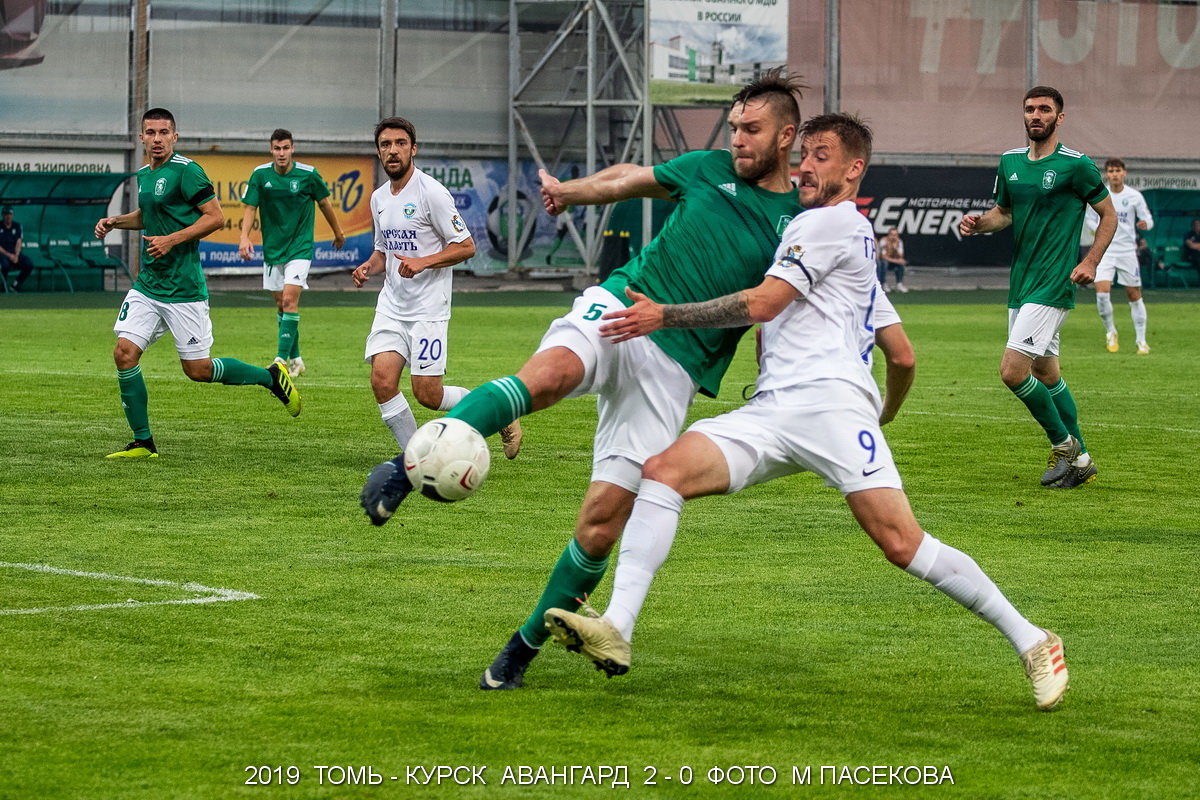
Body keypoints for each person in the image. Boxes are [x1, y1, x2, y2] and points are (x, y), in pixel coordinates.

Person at [544, 113, 1069, 712]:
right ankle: (617, 625)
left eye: (822, 156)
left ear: (853, 169)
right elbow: (902, 355)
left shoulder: (825, 226)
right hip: (775, 410)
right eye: (806, 155)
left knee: (902, 543)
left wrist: (666, 314)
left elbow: (765, 304)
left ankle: (1035, 641)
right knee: (662, 471)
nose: (806, 166)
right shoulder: (843, 238)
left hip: (830, 408)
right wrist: (885, 412)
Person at [361, 69, 806, 690]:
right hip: (622, 303)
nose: (737, 139)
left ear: (787, 136)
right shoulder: (707, 167)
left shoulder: (801, 221)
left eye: (751, 130)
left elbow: (767, 304)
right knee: (547, 376)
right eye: (733, 127)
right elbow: (631, 179)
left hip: (676, 367)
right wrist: (572, 192)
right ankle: (406, 472)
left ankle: (520, 649)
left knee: (601, 521)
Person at [94, 108, 301, 459]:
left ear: (175, 137)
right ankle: (143, 442)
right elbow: (149, 215)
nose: (157, 139)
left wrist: (172, 239)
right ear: (141, 137)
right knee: (124, 354)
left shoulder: (188, 171)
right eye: (150, 132)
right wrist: (117, 221)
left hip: (184, 289)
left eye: (163, 132)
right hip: (148, 284)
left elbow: (216, 218)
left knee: (198, 371)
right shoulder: (145, 175)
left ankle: (271, 376)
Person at [960, 86, 1116, 490]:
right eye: (1030, 109)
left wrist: (1090, 261)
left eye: (1045, 109)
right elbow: (1004, 213)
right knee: (1047, 373)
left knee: (1012, 372)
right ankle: (1080, 459)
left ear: (1059, 118)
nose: (1036, 115)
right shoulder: (1010, 162)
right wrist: (979, 224)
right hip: (1022, 284)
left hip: (1053, 283)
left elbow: (1108, 215)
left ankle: (1064, 446)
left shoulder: (1076, 165)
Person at [350, 117, 517, 477]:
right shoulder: (379, 198)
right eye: (385, 145)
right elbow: (383, 252)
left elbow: (467, 246)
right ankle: (418, 460)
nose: (392, 151)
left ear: (413, 148)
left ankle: (501, 411)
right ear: (378, 151)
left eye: (399, 143)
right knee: (382, 381)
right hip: (392, 306)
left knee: (428, 394)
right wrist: (368, 266)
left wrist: (424, 262)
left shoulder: (432, 193)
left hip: (429, 310)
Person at [239, 128, 346, 377]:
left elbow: (325, 204)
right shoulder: (260, 174)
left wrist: (338, 233)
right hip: (273, 250)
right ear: (271, 150)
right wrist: (244, 237)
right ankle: (297, 358)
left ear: (292, 149)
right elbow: (249, 208)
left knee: (289, 301)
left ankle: (280, 360)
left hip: (300, 248)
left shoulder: (308, 175)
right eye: (277, 148)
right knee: (281, 305)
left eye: (286, 148)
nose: (281, 153)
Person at [1084, 158, 1153, 354]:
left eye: (1117, 170)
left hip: (1127, 251)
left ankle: (1141, 340)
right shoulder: (1099, 195)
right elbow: (1089, 219)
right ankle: (1111, 332)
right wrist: (1099, 232)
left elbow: (1147, 219)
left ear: (1124, 173)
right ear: (1106, 174)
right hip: (1104, 251)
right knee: (1102, 294)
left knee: (1134, 295)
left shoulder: (1134, 196)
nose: (1114, 174)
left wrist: (1145, 224)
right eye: (1111, 171)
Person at [0, 206, 34, 291]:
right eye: (6, 214)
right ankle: (3, 286)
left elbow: (19, 242)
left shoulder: (17, 226)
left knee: (29, 264)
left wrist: (16, 255)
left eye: (10, 214)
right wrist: (9, 255)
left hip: (14, 253)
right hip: (3, 254)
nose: (8, 216)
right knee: (5, 264)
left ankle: (16, 285)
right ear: (3, 215)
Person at [877, 227, 908, 292]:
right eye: (892, 235)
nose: (893, 237)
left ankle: (899, 284)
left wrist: (895, 249)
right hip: (883, 262)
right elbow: (883, 256)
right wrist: (897, 261)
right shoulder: (884, 241)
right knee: (884, 263)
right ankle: (883, 283)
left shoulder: (899, 241)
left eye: (895, 235)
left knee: (901, 265)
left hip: (892, 261)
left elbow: (901, 256)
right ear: (888, 235)